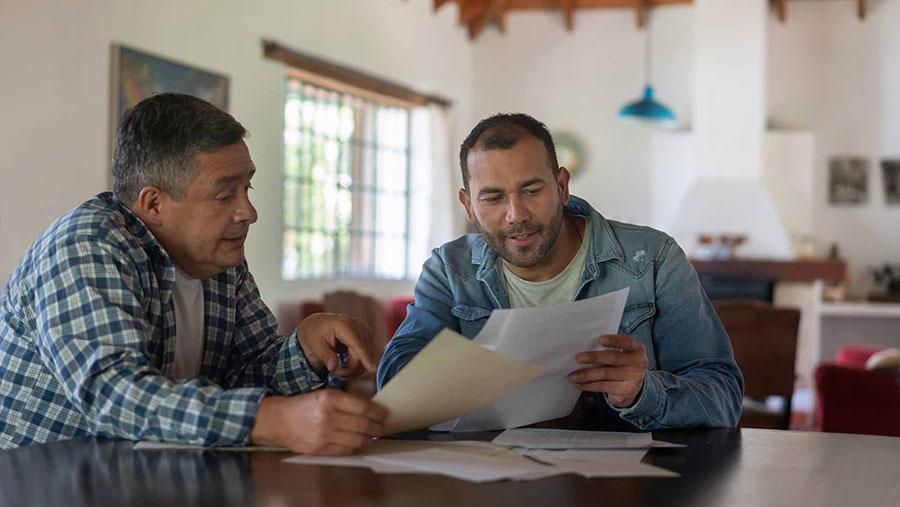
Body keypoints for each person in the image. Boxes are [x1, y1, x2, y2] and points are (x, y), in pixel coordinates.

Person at [0, 93, 387, 453]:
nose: (248, 212)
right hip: (43, 485)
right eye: (224, 196)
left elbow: (244, 377)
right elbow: (115, 397)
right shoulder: (87, 245)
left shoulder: (216, 260)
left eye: (247, 188)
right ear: (154, 204)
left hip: (150, 482)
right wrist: (267, 420)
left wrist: (306, 348)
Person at [377, 113, 743, 430]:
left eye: (532, 190)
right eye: (492, 198)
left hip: (623, 485)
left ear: (562, 186)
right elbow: (393, 388)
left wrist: (641, 392)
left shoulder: (653, 259)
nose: (516, 214)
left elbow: (723, 396)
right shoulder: (448, 270)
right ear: (468, 205)